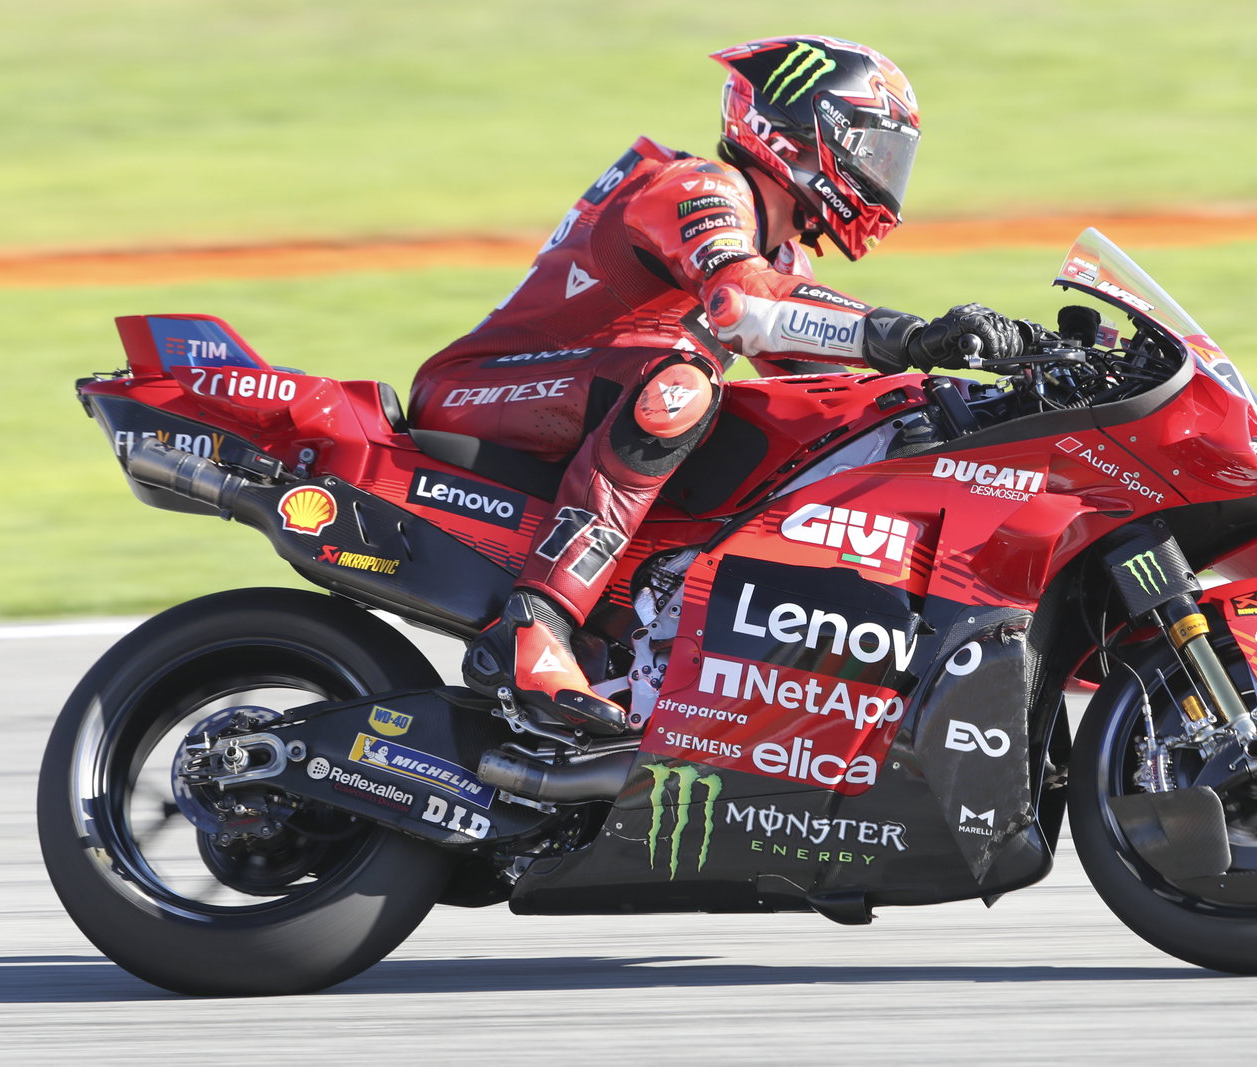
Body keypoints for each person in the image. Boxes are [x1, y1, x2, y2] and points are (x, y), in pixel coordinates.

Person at [409, 35, 1030, 738]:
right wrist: (913, 335)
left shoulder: (780, 254)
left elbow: (825, 392)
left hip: (574, 401)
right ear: (799, 133)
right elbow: (743, 305)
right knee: (679, 384)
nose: (884, 176)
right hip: (477, 391)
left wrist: (963, 398)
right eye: (873, 150)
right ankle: (534, 627)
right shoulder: (696, 186)